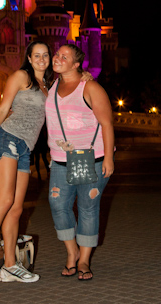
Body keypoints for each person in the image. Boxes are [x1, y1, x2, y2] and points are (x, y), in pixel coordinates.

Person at [0, 41, 53, 293]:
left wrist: (84, 75)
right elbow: (3, 108)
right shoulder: (21, 76)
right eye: (36, 55)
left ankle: (9, 265)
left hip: (25, 147)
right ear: (28, 56)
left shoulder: (48, 86)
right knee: (4, 200)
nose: (41, 59)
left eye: (45, 55)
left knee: (16, 207)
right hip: (7, 138)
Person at [45, 44, 114, 281]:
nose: (57, 58)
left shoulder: (90, 87)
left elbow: (107, 123)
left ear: (76, 64)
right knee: (57, 205)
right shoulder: (51, 85)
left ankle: (84, 260)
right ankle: (71, 251)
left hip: (91, 159)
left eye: (64, 56)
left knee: (87, 208)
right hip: (60, 160)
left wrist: (109, 159)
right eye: (56, 54)